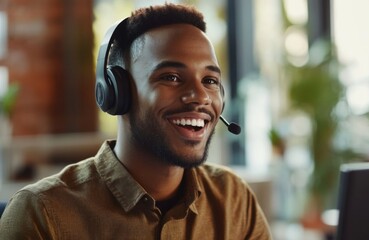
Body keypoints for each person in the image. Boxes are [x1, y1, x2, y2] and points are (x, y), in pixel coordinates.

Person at [0, 3, 272, 239]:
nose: (200, 96)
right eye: (171, 77)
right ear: (117, 92)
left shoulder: (233, 201)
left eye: (210, 81)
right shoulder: (42, 213)